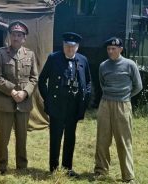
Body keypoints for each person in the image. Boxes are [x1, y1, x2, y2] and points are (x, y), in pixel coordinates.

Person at [0, 20, 38, 174]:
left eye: (19, 35)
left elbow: (34, 78)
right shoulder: (0, 53)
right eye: (14, 34)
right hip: (3, 101)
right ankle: (2, 166)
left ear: (24, 38)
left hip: (23, 102)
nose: (16, 37)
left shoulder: (30, 54)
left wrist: (25, 92)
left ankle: (22, 166)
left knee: (22, 136)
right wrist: (12, 91)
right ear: (9, 36)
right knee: (3, 136)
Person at [38, 32, 91, 177]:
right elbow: (41, 80)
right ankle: (54, 168)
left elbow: (88, 82)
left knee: (70, 137)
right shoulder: (54, 58)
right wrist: (47, 99)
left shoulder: (83, 60)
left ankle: (67, 167)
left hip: (73, 106)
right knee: (55, 137)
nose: (69, 49)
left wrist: (85, 99)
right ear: (63, 45)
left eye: (72, 47)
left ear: (77, 47)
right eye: (67, 46)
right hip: (57, 105)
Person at [94, 37, 142, 183]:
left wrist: (125, 96)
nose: (110, 51)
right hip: (105, 104)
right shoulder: (103, 65)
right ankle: (101, 171)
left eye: (114, 49)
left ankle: (128, 176)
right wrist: (111, 95)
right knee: (102, 139)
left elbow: (138, 86)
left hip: (123, 104)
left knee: (124, 141)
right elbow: (102, 84)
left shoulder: (130, 65)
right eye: (108, 49)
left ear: (121, 49)